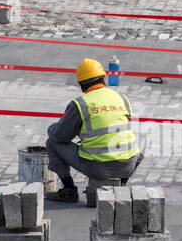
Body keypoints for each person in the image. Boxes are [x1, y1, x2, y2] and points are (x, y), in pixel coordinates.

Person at [44, 58, 143, 203]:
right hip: (127, 165)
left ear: (81, 85)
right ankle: (121, 185)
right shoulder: (122, 98)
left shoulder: (80, 104)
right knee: (135, 148)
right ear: (104, 78)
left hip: (97, 168)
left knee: (52, 142)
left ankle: (69, 189)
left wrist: (52, 128)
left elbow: (60, 137)